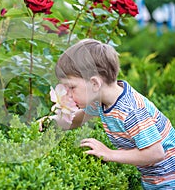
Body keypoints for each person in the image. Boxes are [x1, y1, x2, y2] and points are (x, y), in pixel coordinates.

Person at [54, 38, 175, 189]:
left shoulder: (131, 110)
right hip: (154, 180)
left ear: (94, 83)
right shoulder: (101, 100)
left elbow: (156, 153)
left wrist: (108, 153)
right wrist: (52, 122)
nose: (68, 93)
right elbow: (78, 119)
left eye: (72, 87)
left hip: (169, 180)